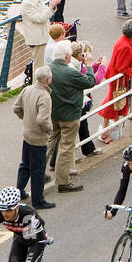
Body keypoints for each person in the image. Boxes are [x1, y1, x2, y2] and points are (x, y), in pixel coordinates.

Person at [47, 41, 97, 192]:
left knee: (49, 143)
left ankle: (38, 173)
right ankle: (62, 181)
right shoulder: (70, 72)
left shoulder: (48, 69)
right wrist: (88, 65)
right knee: (66, 147)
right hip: (69, 114)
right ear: (67, 56)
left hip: (53, 112)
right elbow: (90, 81)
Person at [13, 64, 55, 209]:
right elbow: (42, 120)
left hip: (27, 134)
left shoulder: (27, 89)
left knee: (25, 165)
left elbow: (16, 108)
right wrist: (49, 129)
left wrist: (25, 118)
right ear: (48, 80)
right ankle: (38, 200)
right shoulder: (45, 96)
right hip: (38, 137)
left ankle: (19, 191)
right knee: (38, 169)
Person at [96, 19, 132, 144]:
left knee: (115, 103)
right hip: (117, 79)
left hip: (118, 78)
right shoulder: (126, 45)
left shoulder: (125, 41)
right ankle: (105, 131)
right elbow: (122, 67)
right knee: (112, 104)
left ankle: (112, 127)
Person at [17, 0, 54, 74]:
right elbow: (40, 18)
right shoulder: (27, 4)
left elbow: (45, 11)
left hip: (43, 36)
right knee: (38, 66)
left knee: (43, 64)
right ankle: (36, 86)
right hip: (37, 39)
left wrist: (52, 8)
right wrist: (50, 8)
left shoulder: (37, 0)